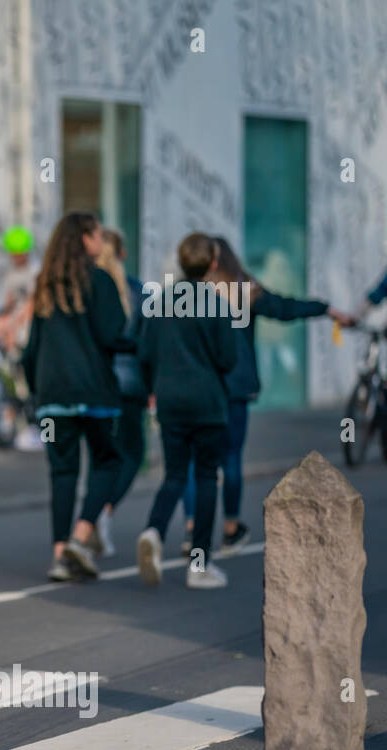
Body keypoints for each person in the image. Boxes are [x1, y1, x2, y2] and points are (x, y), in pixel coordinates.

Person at [177, 236, 353, 555]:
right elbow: (286, 308)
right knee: (230, 459)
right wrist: (325, 309)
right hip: (236, 387)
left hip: (201, 387)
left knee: (195, 461)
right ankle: (231, 528)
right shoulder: (246, 290)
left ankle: (192, 529)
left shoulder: (189, 294)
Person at [20, 212, 128, 582]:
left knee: (62, 472)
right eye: (99, 234)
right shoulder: (100, 281)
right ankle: (81, 537)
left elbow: (31, 349)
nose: (102, 242)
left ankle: (59, 554)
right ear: (85, 238)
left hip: (52, 396)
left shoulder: (46, 285)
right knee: (110, 460)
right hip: (95, 391)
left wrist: (36, 395)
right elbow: (114, 335)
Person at [136, 234, 238, 589]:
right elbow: (229, 359)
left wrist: (154, 388)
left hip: (170, 401)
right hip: (207, 403)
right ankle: (199, 565)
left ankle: (154, 529)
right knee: (207, 477)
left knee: (175, 474)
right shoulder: (218, 303)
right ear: (212, 264)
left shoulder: (161, 302)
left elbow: (145, 354)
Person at [93, 229, 148, 557]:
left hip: (100, 383)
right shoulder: (137, 290)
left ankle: (91, 517)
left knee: (102, 455)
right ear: (123, 254)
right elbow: (147, 340)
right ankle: (105, 510)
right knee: (132, 453)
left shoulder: (90, 288)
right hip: (132, 384)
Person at [0, 226, 43, 450]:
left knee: (29, 384)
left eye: (18, 252)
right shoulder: (10, 274)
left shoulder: (35, 272)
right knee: (13, 383)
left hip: (28, 336)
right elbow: (7, 305)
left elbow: (31, 306)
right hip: (13, 337)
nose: (15, 256)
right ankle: (19, 426)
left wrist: (11, 330)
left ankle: (35, 428)